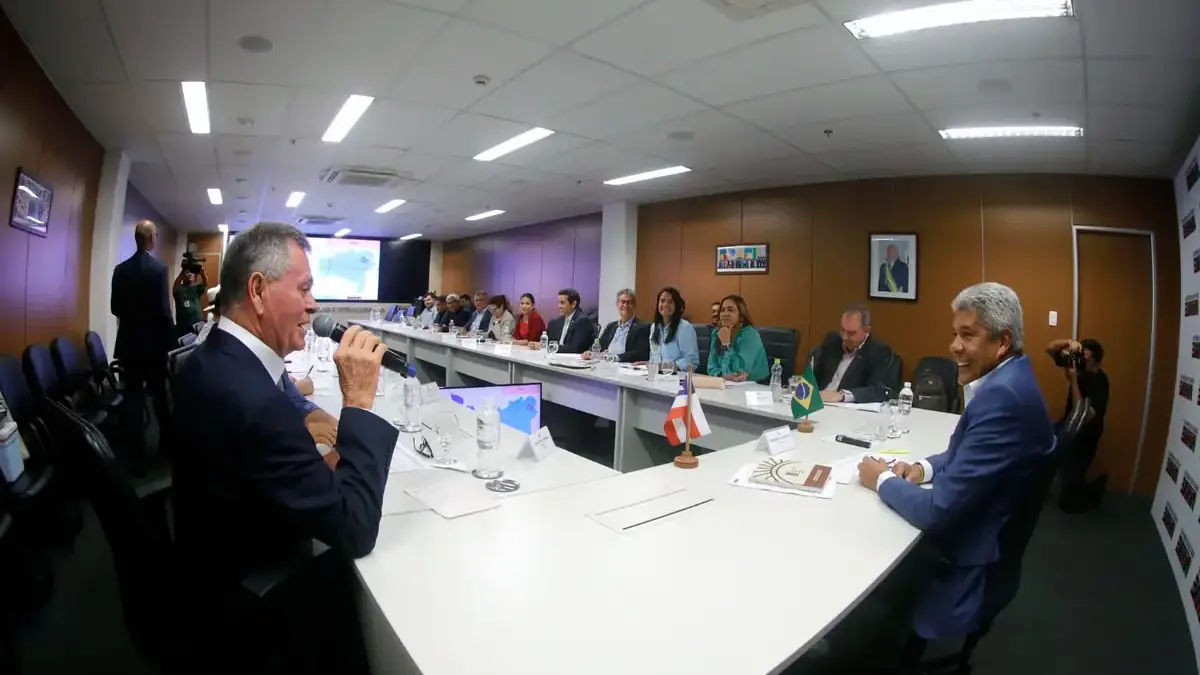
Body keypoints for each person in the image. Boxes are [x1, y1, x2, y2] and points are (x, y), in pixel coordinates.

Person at [172, 222, 396, 671]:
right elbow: (355, 530)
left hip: (213, 556)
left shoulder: (217, 360)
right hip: (251, 599)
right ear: (257, 290)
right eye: (305, 288)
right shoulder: (252, 399)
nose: (313, 305)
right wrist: (358, 403)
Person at [856, 282, 1055, 642]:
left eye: (968, 335)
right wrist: (921, 469)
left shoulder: (1003, 398)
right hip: (980, 538)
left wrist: (881, 479)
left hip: (965, 566)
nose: (954, 346)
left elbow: (937, 510)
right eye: (954, 334)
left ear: (1003, 341)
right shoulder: (1010, 379)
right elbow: (963, 451)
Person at [110, 220, 173, 471]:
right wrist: (170, 346)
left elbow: (115, 308)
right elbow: (164, 312)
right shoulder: (158, 269)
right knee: (159, 398)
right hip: (155, 349)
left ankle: (136, 456)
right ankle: (165, 451)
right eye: (156, 234)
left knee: (133, 400)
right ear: (150, 238)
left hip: (129, 348)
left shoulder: (120, 269)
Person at [1047, 337, 1110, 512]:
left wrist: (1073, 380)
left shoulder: (1100, 383)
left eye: (1086, 358)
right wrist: (1070, 342)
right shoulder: (1080, 365)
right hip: (1068, 425)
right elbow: (1050, 348)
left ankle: (1095, 489)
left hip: (1086, 434)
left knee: (1068, 503)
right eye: (1082, 356)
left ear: (1096, 361)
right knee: (1045, 451)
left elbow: (1081, 412)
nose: (1082, 361)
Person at [813, 305, 898, 404]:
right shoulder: (832, 341)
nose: (844, 337)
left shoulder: (879, 351)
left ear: (866, 330)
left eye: (851, 333)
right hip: (819, 401)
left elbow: (878, 390)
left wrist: (842, 395)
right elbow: (815, 374)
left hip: (846, 407)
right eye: (842, 330)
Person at [706, 294, 768, 382]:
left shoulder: (750, 334)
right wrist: (722, 375)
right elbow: (711, 367)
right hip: (726, 384)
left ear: (741, 316)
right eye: (722, 310)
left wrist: (726, 345)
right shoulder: (717, 333)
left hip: (754, 386)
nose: (725, 314)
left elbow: (739, 371)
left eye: (731, 310)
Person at [640, 287, 699, 371]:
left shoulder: (685, 327)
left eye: (670, 302)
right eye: (662, 301)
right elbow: (654, 355)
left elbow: (692, 361)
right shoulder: (654, 327)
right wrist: (647, 364)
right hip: (656, 376)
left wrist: (667, 367)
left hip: (676, 378)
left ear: (676, 306)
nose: (665, 305)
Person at [584, 288, 649, 363]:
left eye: (629, 302)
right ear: (617, 304)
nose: (625, 305)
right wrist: (589, 352)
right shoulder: (611, 326)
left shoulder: (643, 327)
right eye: (623, 302)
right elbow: (599, 345)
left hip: (624, 366)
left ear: (634, 305)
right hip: (606, 364)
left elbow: (640, 352)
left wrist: (616, 357)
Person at [544, 288, 594, 354]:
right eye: (558, 302)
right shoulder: (556, 321)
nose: (559, 306)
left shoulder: (583, 321)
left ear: (573, 304)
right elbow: (549, 341)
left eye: (562, 303)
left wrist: (550, 348)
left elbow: (575, 348)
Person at [172, 262, 208, 338]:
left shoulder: (196, 288)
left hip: (197, 327)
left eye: (192, 272)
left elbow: (205, 284)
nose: (190, 274)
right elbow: (175, 286)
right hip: (183, 329)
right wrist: (183, 270)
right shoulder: (179, 289)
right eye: (188, 272)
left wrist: (202, 274)